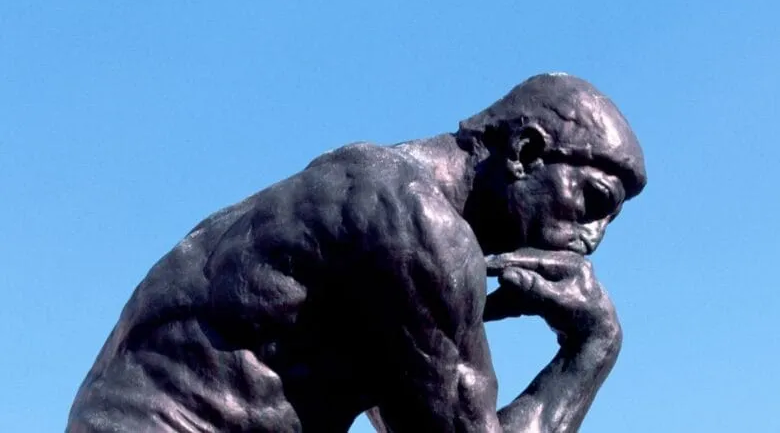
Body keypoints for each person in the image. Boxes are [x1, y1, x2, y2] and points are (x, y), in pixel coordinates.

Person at [68, 73, 647, 432]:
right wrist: (591, 349)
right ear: (524, 151)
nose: (592, 237)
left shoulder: (377, 193)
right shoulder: (418, 224)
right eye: (592, 201)